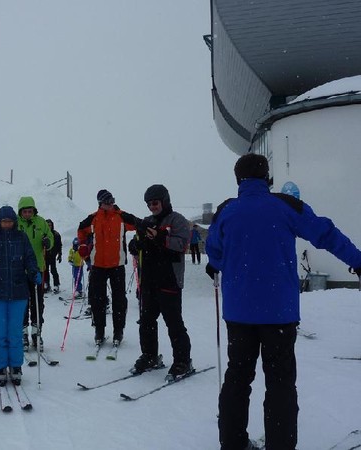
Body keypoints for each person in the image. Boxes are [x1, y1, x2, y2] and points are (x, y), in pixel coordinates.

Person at [205, 153, 361, 450]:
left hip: (239, 314)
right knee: (280, 382)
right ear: (267, 178)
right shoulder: (286, 206)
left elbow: (215, 253)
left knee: (237, 377)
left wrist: (221, 264)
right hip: (278, 313)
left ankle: (233, 443)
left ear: (238, 180)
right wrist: (357, 260)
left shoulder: (227, 210)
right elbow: (325, 234)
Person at [124, 184, 193, 380]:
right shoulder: (147, 221)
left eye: (155, 203)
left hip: (169, 279)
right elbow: (138, 243)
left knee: (173, 322)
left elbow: (182, 245)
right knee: (146, 321)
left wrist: (160, 237)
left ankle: (183, 361)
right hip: (149, 280)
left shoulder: (177, 220)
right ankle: (150, 355)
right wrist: (135, 245)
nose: (152, 207)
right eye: (148, 204)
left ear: (164, 201)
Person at [0, 206, 40, 386]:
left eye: (10, 221)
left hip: (18, 293)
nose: (7, 224)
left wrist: (34, 271)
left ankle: (16, 366)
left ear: (14, 222)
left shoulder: (21, 238)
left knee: (14, 333)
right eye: (4, 221)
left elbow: (30, 258)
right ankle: (0, 367)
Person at [77, 189, 136, 345]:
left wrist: (137, 242)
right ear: (100, 203)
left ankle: (118, 331)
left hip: (117, 265)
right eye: (107, 202)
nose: (110, 204)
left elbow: (140, 225)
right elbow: (81, 229)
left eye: (112, 200)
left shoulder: (121, 216)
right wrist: (82, 245)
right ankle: (99, 331)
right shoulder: (93, 218)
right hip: (98, 265)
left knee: (119, 299)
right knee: (97, 300)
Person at [17, 196, 53, 351]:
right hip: (19, 270)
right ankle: (23, 332)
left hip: (38, 268)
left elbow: (50, 236)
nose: (27, 214)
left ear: (34, 211)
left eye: (29, 211)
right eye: (24, 212)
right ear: (20, 212)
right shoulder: (16, 224)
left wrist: (48, 242)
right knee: (22, 302)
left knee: (38, 302)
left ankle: (36, 332)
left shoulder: (41, 222)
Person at [44, 219, 62, 294]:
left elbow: (59, 245)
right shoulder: (43, 234)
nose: (49, 227)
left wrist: (60, 254)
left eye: (50, 225)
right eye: (47, 225)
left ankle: (56, 284)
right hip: (45, 255)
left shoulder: (56, 234)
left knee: (53, 270)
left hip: (52, 255)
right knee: (45, 270)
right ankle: (46, 284)